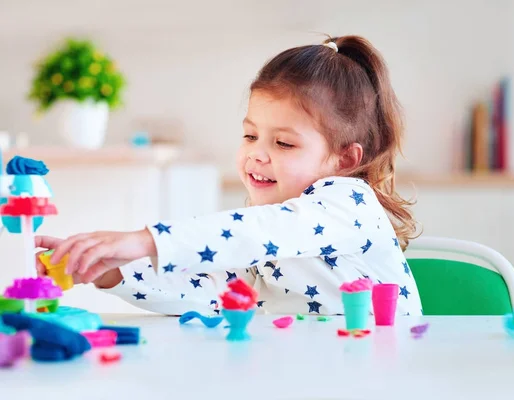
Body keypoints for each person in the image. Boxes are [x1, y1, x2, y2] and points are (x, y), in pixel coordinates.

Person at [35, 35, 423, 316]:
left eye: (283, 143)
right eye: (251, 135)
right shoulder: (262, 233)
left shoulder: (348, 203)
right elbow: (213, 292)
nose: (257, 152)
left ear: (343, 159)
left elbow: (265, 231)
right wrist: (113, 272)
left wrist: (142, 241)